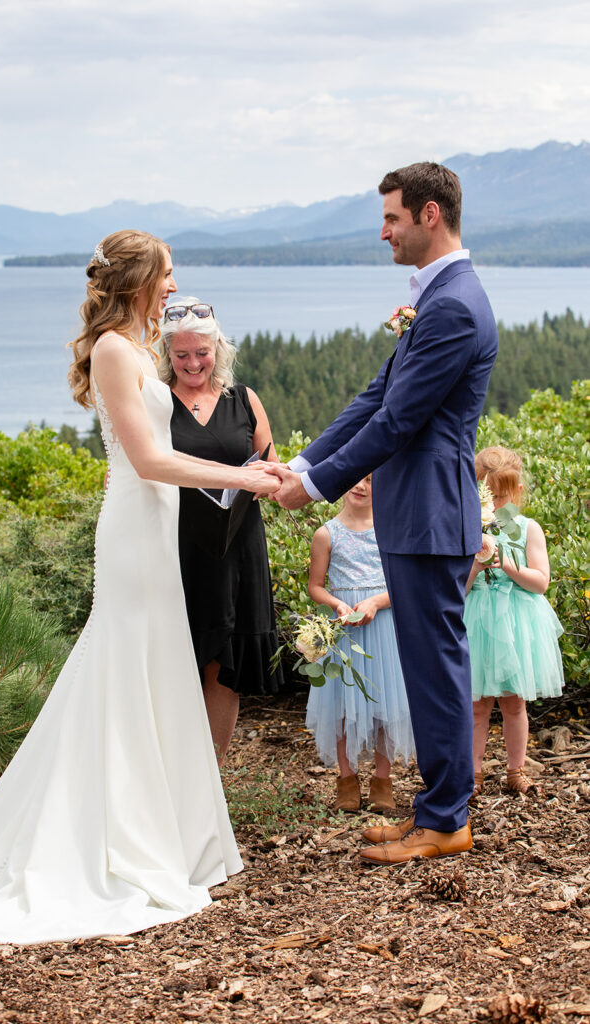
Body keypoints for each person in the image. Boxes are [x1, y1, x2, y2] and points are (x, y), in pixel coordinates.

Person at [0, 230, 278, 946]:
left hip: (155, 531)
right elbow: (146, 459)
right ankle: (112, 832)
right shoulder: (114, 348)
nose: (172, 287)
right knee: (123, 664)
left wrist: (258, 468)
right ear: (139, 279)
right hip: (136, 533)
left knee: (152, 669)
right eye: (165, 276)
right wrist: (243, 477)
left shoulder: (138, 352)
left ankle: (163, 829)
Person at [267, 162, 499, 864]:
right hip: (416, 513)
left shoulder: (454, 305)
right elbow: (373, 399)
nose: (383, 231)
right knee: (429, 668)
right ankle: (433, 811)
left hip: (431, 515)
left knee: (436, 672)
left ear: (430, 215)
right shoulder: (438, 298)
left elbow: (398, 421)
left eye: (392, 218)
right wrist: (303, 465)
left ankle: (444, 822)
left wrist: (312, 491)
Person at [159, 298, 283, 764]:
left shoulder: (244, 400)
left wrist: (279, 478)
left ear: (219, 350)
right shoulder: (155, 402)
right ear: (167, 354)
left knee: (224, 661)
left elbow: (270, 467)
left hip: (237, 544)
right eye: (182, 355)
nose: (193, 363)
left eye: (202, 353)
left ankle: (211, 770)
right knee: (176, 655)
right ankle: (172, 769)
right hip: (177, 545)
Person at [305, 476, 414, 813]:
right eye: (357, 478)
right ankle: (347, 779)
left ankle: (382, 781)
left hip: (382, 626)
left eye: (371, 480)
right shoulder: (326, 534)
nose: (362, 486)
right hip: (344, 631)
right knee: (339, 706)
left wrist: (376, 603)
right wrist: (337, 604)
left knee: (385, 704)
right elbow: (315, 586)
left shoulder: (390, 530)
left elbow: (403, 582)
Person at [465, 446, 564, 799]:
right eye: (485, 495)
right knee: (477, 705)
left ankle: (515, 770)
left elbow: (540, 582)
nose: (493, 504)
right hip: (476, 620)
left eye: (501, 495)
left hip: (516, 623)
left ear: (518, 492)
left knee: (514, 702)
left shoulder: (527, 529)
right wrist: (477, 563)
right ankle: (472, 773)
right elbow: (455, 589)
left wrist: (505, 562)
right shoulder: (465, 528)